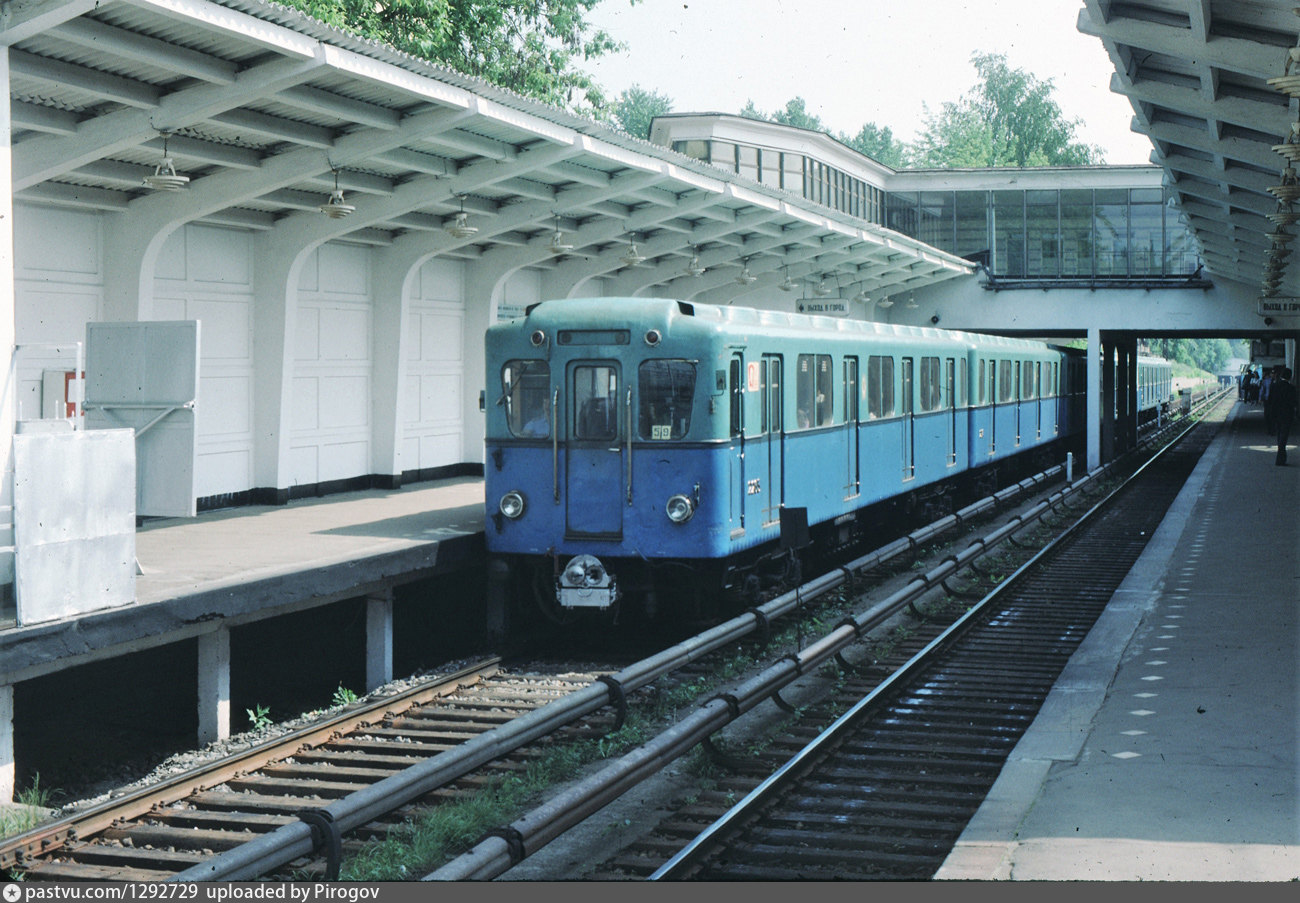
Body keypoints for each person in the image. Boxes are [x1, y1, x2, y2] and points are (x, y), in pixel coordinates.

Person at [1270, 367, 1298, 466]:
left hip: (1277, 414)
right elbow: (1293, 402)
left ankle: (1280, 456)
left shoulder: (1274, 386)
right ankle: (1280, 457)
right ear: (1290, 377)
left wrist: (1271, 415)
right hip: (1287, 415)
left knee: (1279, 435)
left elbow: (1271, 401)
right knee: (1284, 436)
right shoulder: (1291, 388)